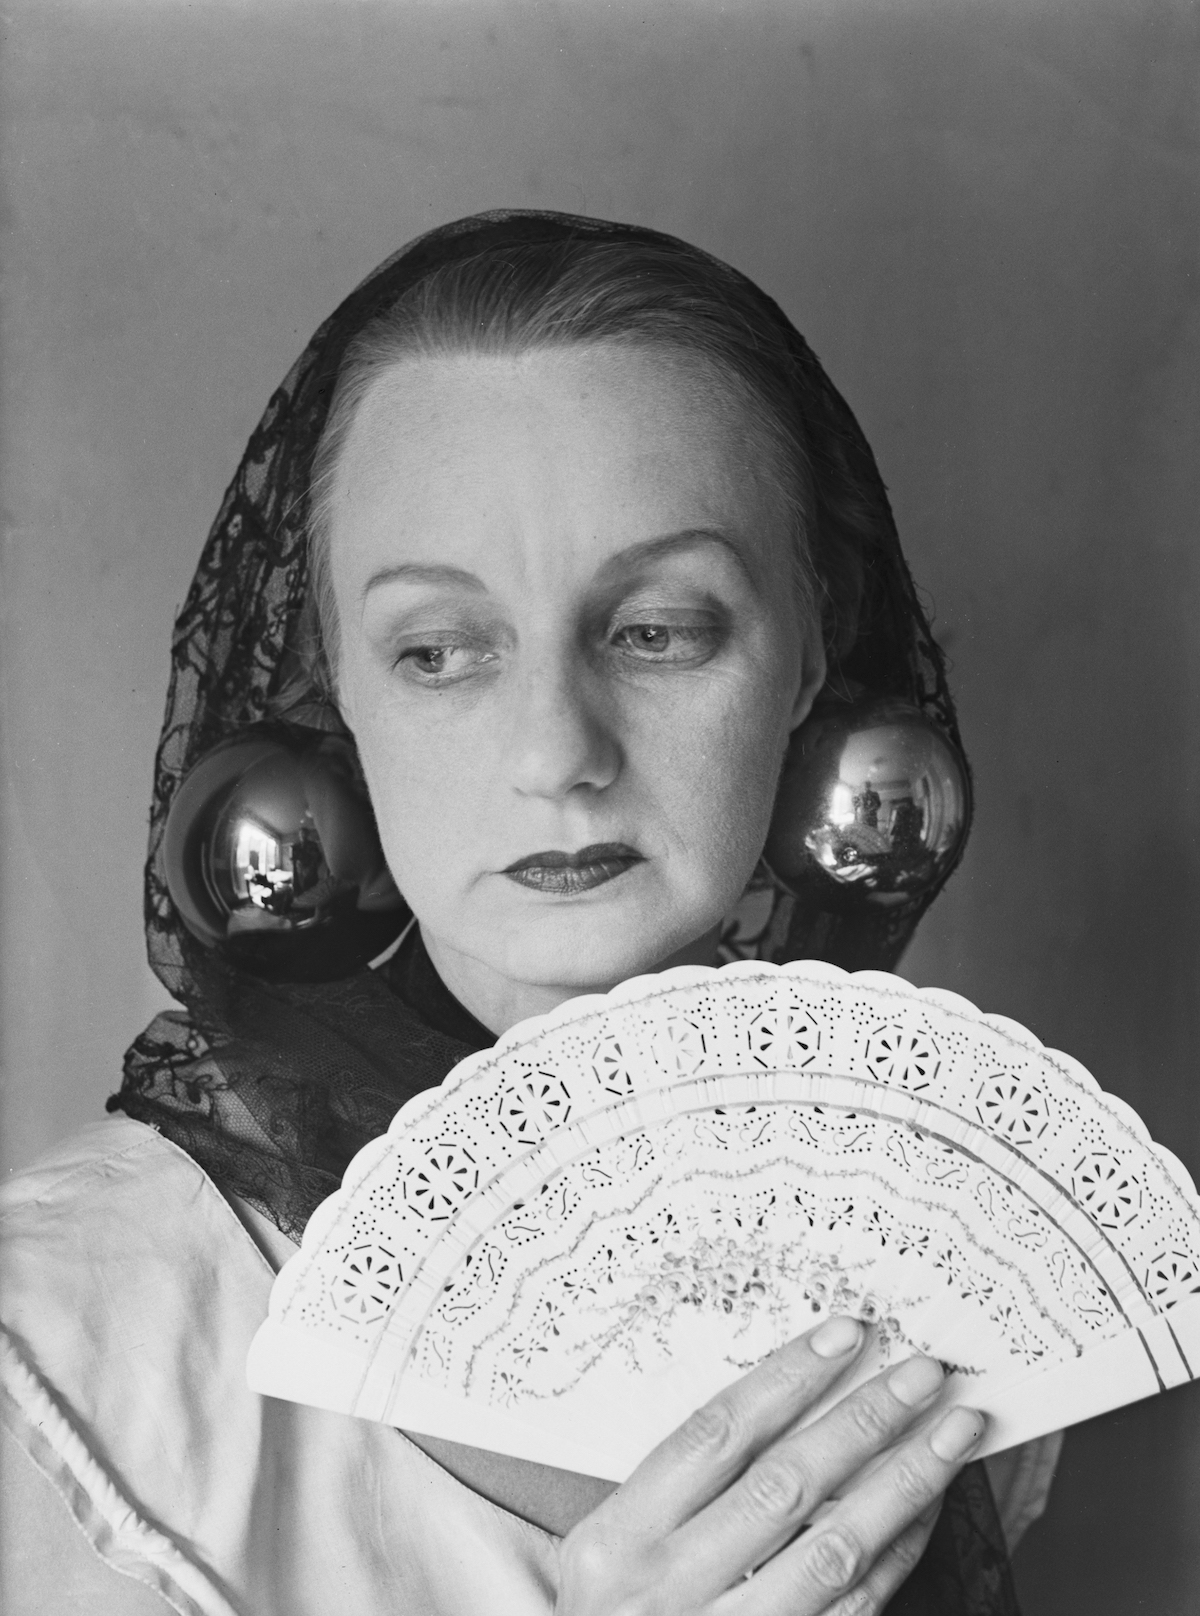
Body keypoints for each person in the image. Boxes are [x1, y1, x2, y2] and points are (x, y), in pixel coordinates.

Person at [0, 211, 1058, 1614]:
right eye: (439, 651)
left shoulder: (973, 1295)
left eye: (658, 630)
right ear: (335, 687)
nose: (560, 753)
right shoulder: (69, 1356)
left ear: (811, 641)